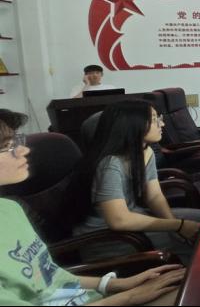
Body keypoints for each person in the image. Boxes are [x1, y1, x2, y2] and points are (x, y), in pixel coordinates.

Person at [0, 108, 186, 306]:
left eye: (16, 141)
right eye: (7, 146)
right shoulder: (111, 163)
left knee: (194, 286)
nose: (24, 150)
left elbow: (51, 277)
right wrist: (130, 296)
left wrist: (117, 284)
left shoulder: (10, 208)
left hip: (90, 299)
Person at [74, 101, 200, 263]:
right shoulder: (110, 164)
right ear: (132, 125)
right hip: (107, 237)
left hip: (134, 219)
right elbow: (118, 220)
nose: (162, 124)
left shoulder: (145, 151)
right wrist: (178, 226)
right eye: (154, 120)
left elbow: (154, 196)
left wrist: (174, 224)